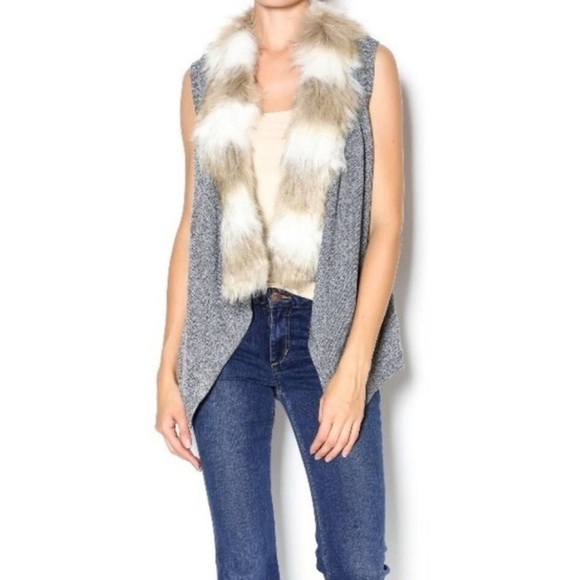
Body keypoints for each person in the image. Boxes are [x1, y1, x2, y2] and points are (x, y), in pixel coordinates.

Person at [156, 0, 405, 577]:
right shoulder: (202, 81)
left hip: (328, 331)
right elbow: (193, 225)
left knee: (357, 563)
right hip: (226, 337)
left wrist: (354, 368)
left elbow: (386, 224)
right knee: (244, 567)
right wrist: (168, 368)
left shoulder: (366, 66)